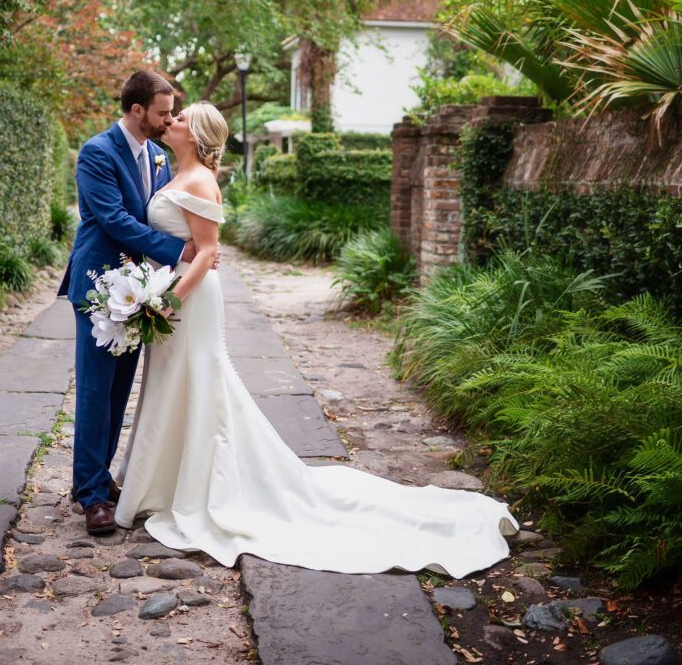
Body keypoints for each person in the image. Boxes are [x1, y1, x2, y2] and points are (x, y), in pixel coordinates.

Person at [113, 101, 520, 577]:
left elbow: (207, 253)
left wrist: (170, 301)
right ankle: (163, 482)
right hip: (172, 291)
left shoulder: (201, 180)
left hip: (190, 298)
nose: (172, 121)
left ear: (197, 134)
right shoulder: (172, 173)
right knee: (170, 382)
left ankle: (198, 486)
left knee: (200, 380)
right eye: (173, 115)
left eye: (180, 118)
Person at [59, 70, 200, 536]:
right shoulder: (97, 153)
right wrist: (178, 251)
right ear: (136, 110)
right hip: (101, 285)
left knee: (120, 389)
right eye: (162, 112)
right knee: (97, 390)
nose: (169, 119)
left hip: (140, 289)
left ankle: (102, 477)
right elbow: (116, 220)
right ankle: (91, 495)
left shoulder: (159, 157)